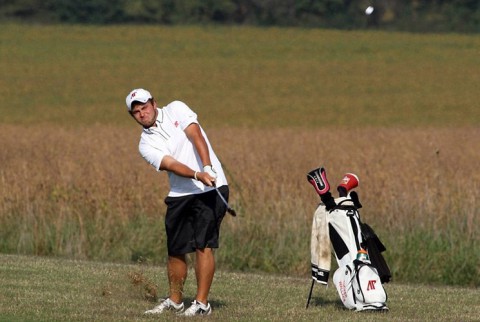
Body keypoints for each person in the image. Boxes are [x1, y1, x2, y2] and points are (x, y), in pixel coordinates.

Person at [125, 88, 229, 316]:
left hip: (212, 187)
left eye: (145, 107)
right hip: (181, 193)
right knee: (176, 249)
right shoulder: (145, 144)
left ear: (154, 103)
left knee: (203, 245)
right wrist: (196, 174)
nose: (142, 113)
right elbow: (170, 164)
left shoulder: (176, 109)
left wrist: (207, 168)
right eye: (136, 112)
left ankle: (202, 304)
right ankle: (175, 301)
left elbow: (196, 135)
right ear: (133, 116)